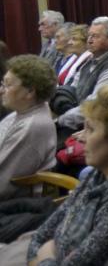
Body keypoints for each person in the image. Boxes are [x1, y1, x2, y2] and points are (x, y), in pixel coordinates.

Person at [21, 85, 108, 266]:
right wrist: (44, 255)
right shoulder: (96, 175)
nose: (81, 137)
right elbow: (41, 236)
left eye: (90, 129)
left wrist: (46, 255)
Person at [0, 55, 57, 201]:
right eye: (3, 83)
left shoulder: (32, 126)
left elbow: (3, 184)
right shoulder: (20, 113)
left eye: (8, 85)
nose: (1, 90)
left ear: (30, 91)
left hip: (12, 205)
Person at [57, 16, 108, 132]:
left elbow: (95, 105)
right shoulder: (90, 59)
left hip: (98, 129)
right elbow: (72, 89)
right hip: (78, 122)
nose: (89, 40)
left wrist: (60, 120)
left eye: (95, 36)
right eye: (89, 35)